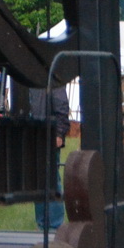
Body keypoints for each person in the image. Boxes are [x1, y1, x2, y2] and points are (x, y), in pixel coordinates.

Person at [31, 84, 70, 229]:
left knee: (51, 179)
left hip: (49, 134)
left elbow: (62, 106)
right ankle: (41, 223)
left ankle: (55, 225)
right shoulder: (28, 80)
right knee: (37, 180)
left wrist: (59, 133)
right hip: (33, 134)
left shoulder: (53, 78)